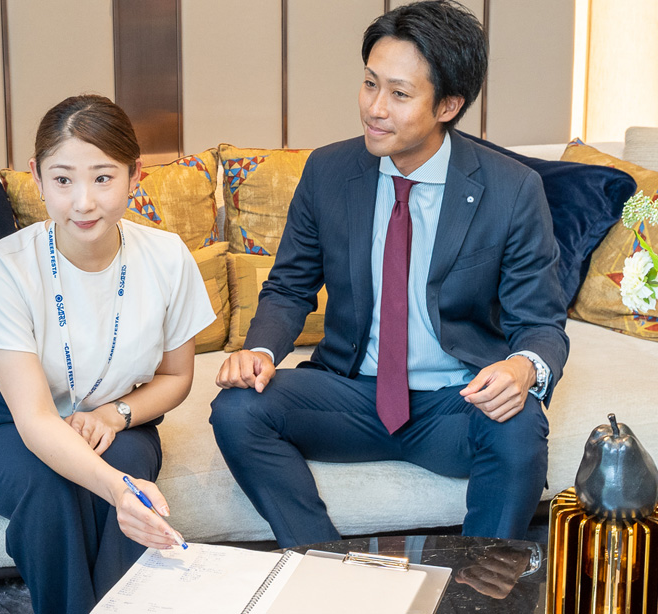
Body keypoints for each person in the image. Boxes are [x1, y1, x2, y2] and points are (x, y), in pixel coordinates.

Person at [211, 0, 569, 548]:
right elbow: (290, 285)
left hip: (456, 397)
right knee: (238, 409)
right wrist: (259, 351)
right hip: (350, 394)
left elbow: (541, 322)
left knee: (520, 426)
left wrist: (523, 367)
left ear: (448, 104)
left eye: (399, 94)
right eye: (369, 83)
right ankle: (324, 564)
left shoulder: (511, 189)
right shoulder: (329, 171)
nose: (375, 108)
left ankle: (475, 588)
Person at [0, 94, 215, 614]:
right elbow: (34, 419)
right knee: (52, 488)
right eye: (63, 179)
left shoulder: (167, 257)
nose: (83, 202)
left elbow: (177, 377)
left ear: (135, 176)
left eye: (103, 177)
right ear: (37, 177)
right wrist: (117, 489)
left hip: (118, 421)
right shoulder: (2, 267)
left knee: (129, 465)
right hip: (7, 426)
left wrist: (114, 416)